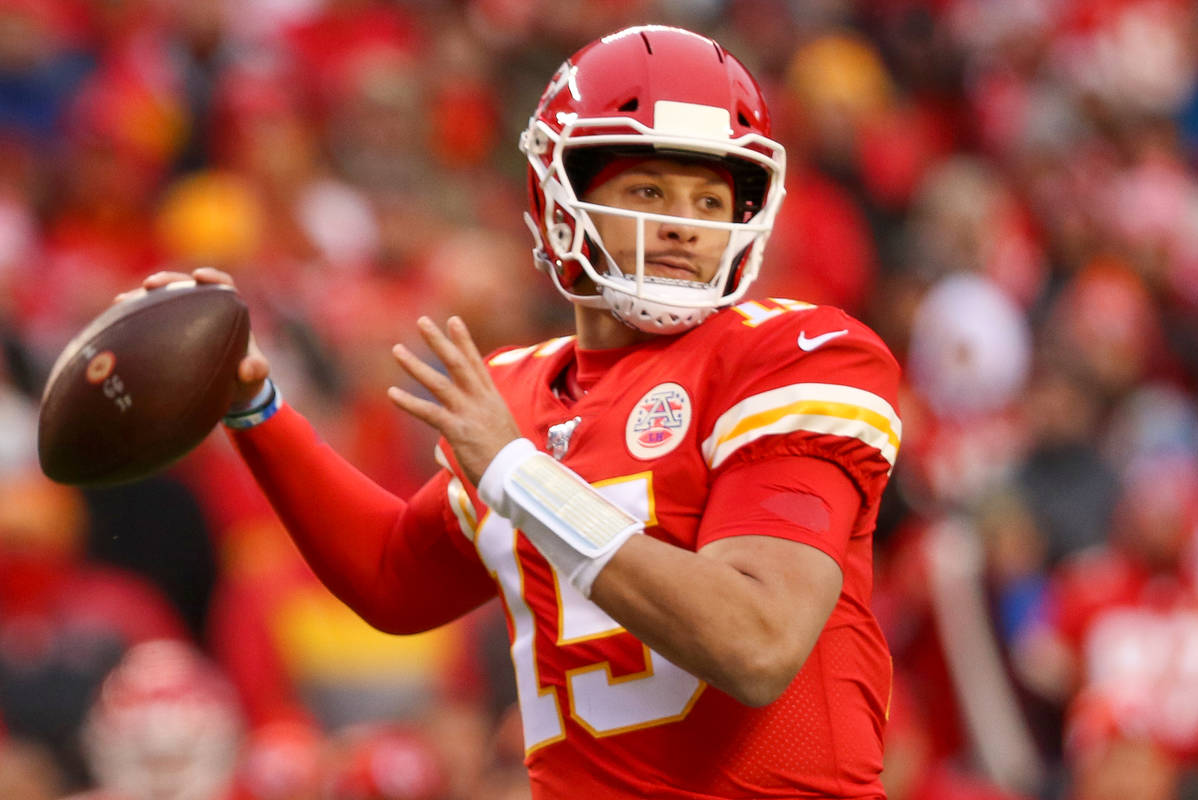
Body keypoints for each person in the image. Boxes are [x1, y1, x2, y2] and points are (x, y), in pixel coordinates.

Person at [135, 25, 903, 798]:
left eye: (710, 198)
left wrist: (517, 472)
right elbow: (394, 581)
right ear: (557, 195)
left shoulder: (797, 354)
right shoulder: (519, 392)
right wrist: (254, 410)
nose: (684, 224)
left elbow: (757, 642)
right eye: (648, 190)